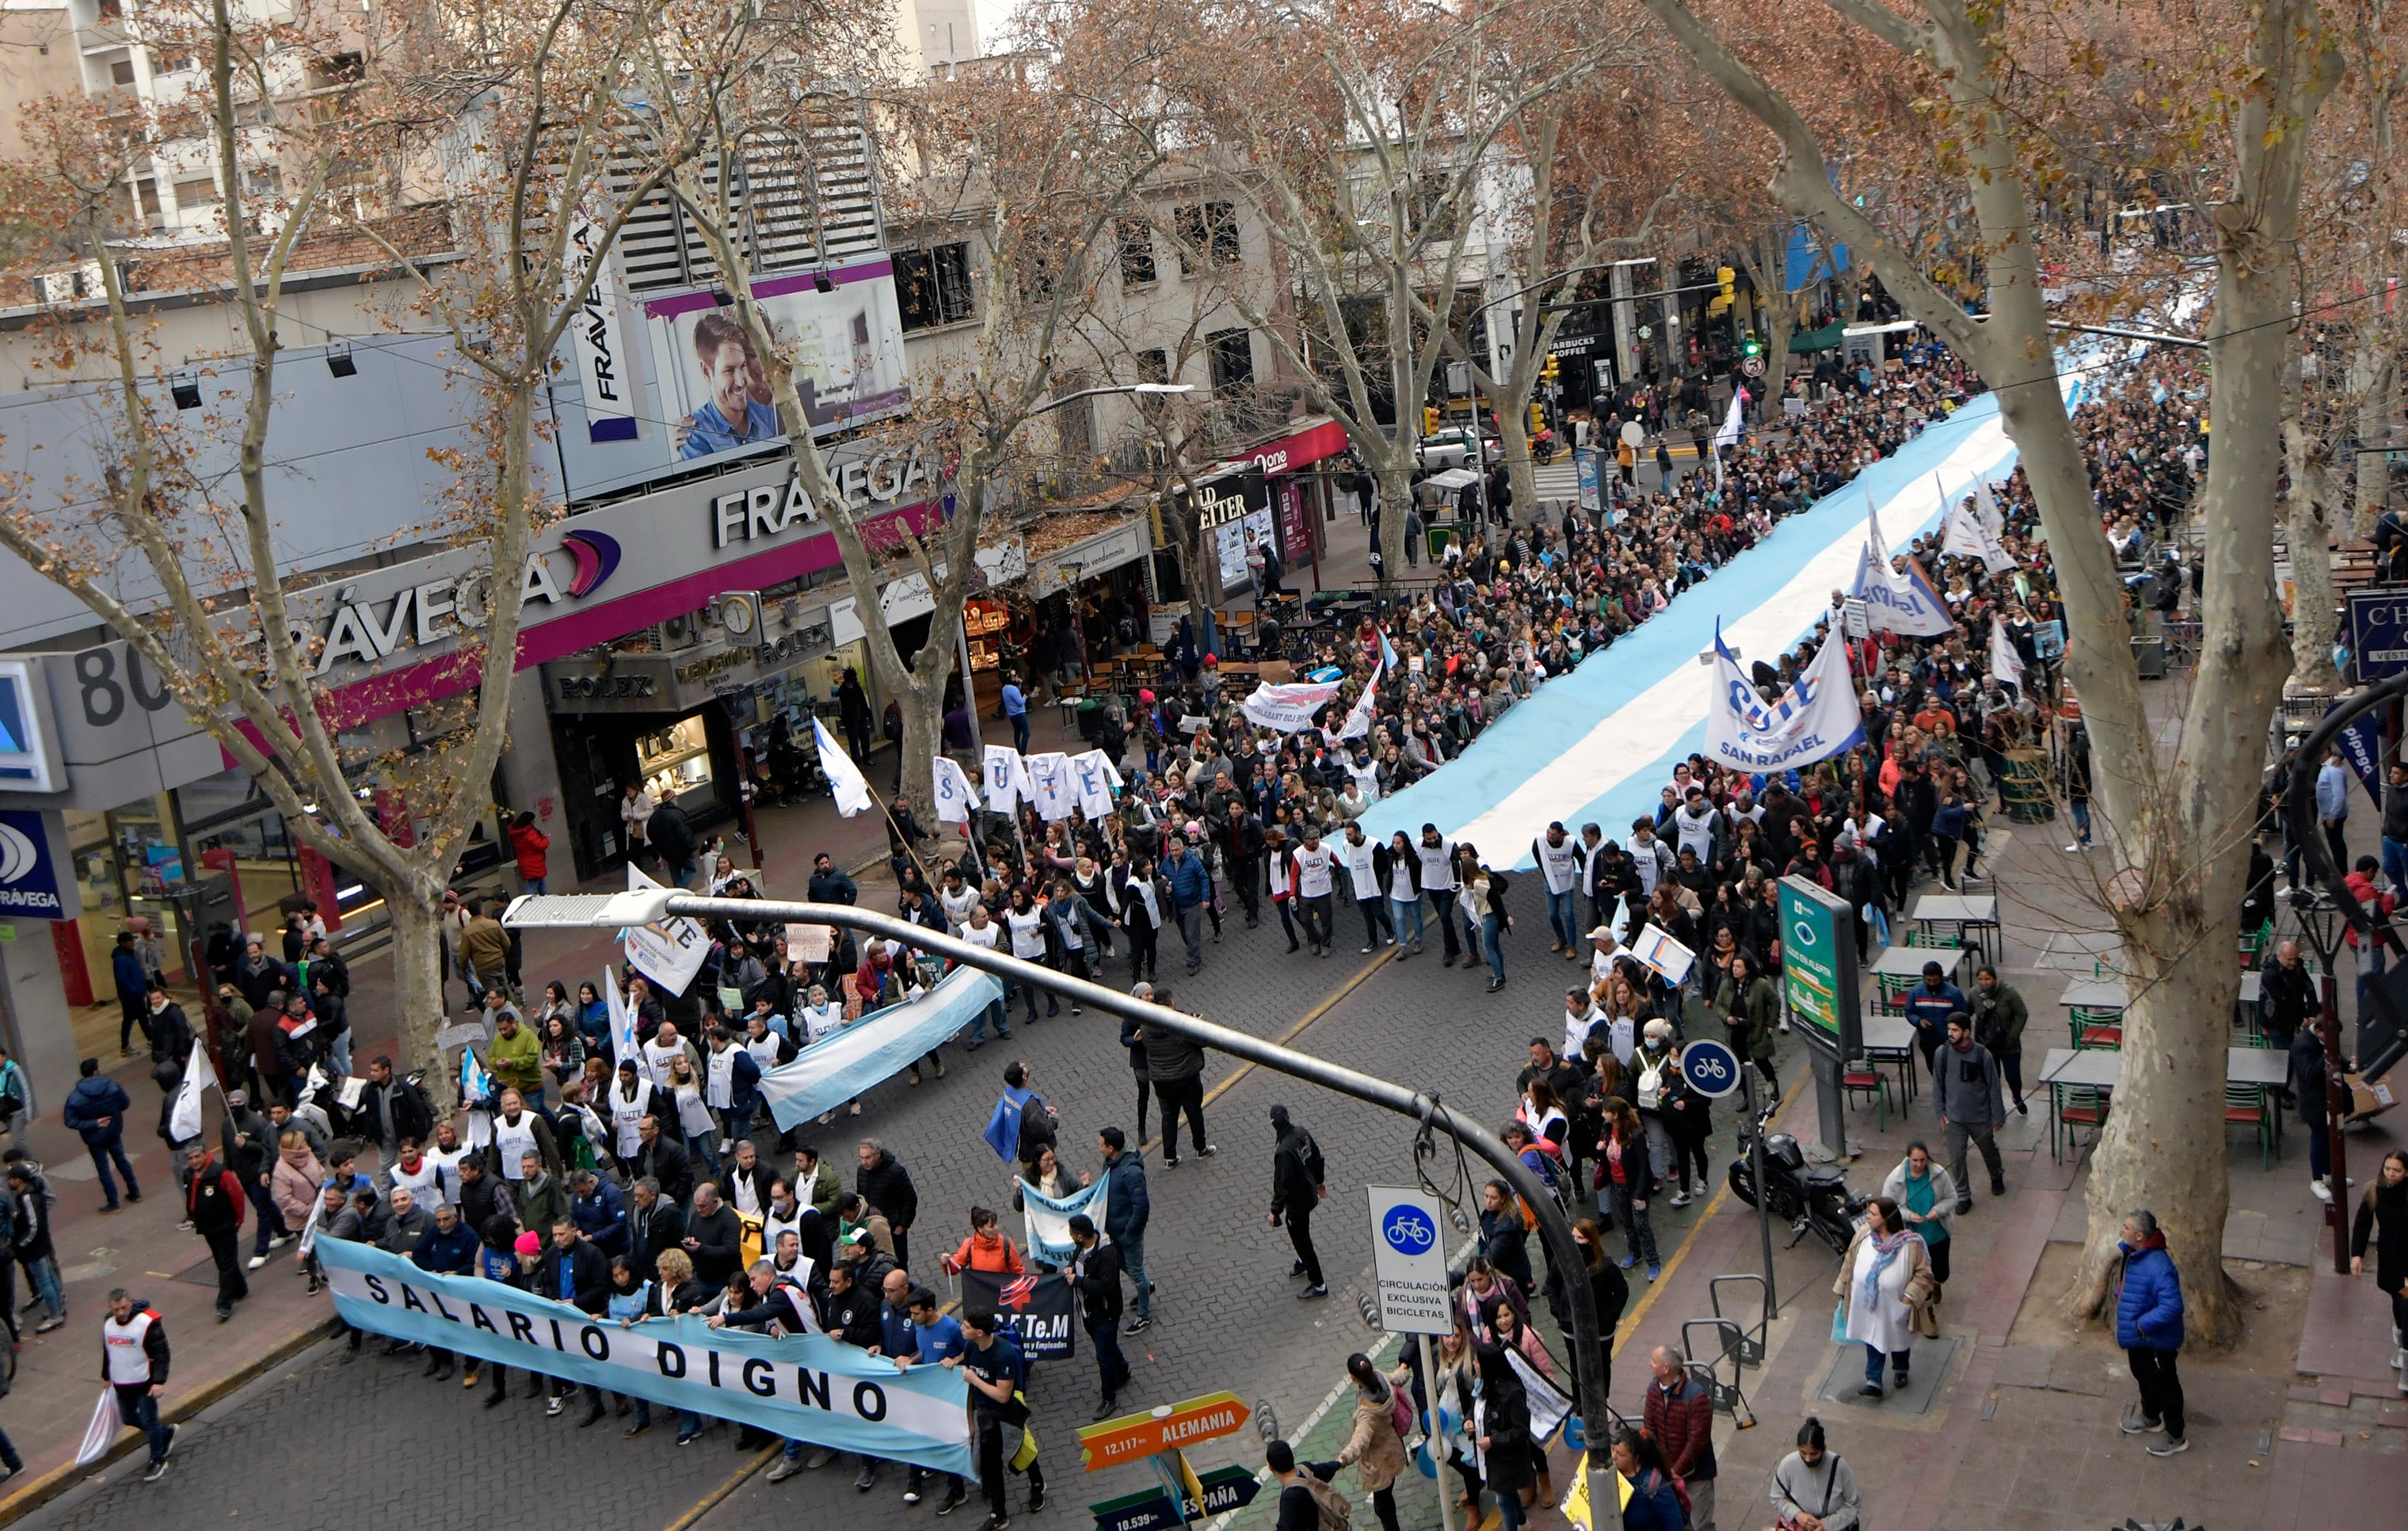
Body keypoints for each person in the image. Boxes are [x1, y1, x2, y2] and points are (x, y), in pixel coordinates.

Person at [1835, 1195, 1937, 1399]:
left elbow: (1924, 1274)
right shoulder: (1863, 1234)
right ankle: (1873, 1381)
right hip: (1869, 1304)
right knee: (1873, 1339)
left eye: (1873, 1214)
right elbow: (1850, 1260)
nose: (1868, 1218)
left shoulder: (1911, 1243)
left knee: (1897, 1338)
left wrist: (1909, 1297)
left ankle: (1901, 1369)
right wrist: (1842, 1288)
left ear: (1886, 1218)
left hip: (1895, 1304)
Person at [958, 1307, 1045, 1531]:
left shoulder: (1003, 1354)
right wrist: (970, 1420)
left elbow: (1003, 1395)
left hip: (1006, 1412)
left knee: (1020, 1451)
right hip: (984, 1414)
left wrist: (975, 1379)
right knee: (990, 1463)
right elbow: (969, 1390)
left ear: (980, 1332)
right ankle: (999, 1513)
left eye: (966, 1327)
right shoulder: (970, 1347)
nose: (961, 1329)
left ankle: (1037, 1483)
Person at [2113, 1207, 2189, 1454]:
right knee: (2143, 1375)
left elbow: (2172, 1306)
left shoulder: (2159, 1266)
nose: (2122, 1230)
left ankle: (2176, 1435)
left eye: (2126, 1227)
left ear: (2139, 1236)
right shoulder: (2134, 1253)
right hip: (2140, 1339)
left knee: (2167, 1386)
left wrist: (2142, 1324)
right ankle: (2150, 1416)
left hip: (2156, 1340)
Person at [1930, 1013, 2006, 1210]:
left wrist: (1998, 1115)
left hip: (1979, 1117)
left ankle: (1996, 1175)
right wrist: (1940, 1111)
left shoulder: (1983, 1055)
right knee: (1956, 1159)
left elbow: (1993, 1086)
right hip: (1954, 1118)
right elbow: (1937, 1085)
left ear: (1966, 1032)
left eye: (1955, 1030)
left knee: (1988, 1150)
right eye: (1949, 1029)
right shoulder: (1942, 1053)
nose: (1950, 1033)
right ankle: (1963, 1195)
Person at [101, 1288, 177, 1482]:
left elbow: (162, 1353)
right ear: (110, 1308)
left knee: (150, 1421)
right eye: (116, 1309)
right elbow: (108, 1351)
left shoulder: (147, 1323)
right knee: (128, 1418)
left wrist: (159, 1382)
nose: (120, 1313)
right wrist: (106, 1376)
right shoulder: (109, 1324)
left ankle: (157, 1460)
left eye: (124, 1308)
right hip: (122, 1384)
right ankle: (166, 1433)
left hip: (145, 1383)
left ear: (131, 1303)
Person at [1330, 1351, 1409, 1531]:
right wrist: (1405, 1369)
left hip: (1378, 1462)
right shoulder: (1381, 1379)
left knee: (1383, 1507)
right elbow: (1397, 1378)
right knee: (1385, 1500)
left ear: (1352, 1377)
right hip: (1393, 1449)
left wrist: (1344, 1458)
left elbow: (1360, 1440)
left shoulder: (1367, 1411)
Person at [2348, 1149, 2408, 1385]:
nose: (2391, 1174)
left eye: (2397, 1171)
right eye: (2388, 1169)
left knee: (2405, 1304)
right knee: (2397, 1301)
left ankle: (2406, 1357)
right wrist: (2357, 1255)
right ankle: (2402, 1345)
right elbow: (2363, 1224)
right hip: (2390, 1259)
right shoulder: (2374, 1191)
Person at [1644, 1342, 1718, 1529]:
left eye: (1653, 1361)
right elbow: (1649, 1427)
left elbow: (1697, 1442)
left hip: (1696, 1476)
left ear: (1666, 1368)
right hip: (1667, 1471)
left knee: (1700, 1523)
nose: (1649, 1364)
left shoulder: (1696, 1397)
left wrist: (1677, 1470)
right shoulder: (1654, 1389)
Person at [1065, 1213, 1130, 1418]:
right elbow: (1078, 1263)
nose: (1070, 1237)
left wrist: (1078, 1281)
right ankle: (1122, 1369)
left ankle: (1109, 1398)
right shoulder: (1081, 1248)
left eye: (1071, 1234)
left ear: (1080, 1237)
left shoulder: (1107, 1253)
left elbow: (1105, 1286)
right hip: (1090, 1312)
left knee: (1103, 1357)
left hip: (1105, 1314)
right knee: (1107, 1345)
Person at [1090, 1125, 1153, 1331]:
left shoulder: (1131, 1172)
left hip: (1127, 1233)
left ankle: (1145, 1315)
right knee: (1121, 1264)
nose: (1099, 1148)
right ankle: (1146, 1286)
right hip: (1115, 1230)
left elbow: (1141, 1207)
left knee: (1135, 1271)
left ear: (1111, 1148)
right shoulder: (1110, 1164)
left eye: (1101, 1145)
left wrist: (1129, 1233)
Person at [1469, 1342, 1534, 1531]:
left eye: (1477, 1361)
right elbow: (1475, 1409)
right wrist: (1469, 1421)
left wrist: (1492, 1441)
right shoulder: (1481, 1386)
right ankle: (1522, 1521)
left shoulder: (1512, 1393)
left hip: (1506, 1459)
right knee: (1507, 1492)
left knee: (1503, 1499)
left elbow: (1521, 1431)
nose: (1474, 1364)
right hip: (1489, 1457)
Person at [62, 1057, 141, 1213]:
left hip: (94, 1137)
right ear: (96, 1071)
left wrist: (93, 1123)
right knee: (121, 1160)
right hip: (113, 1131)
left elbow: (70, 1121)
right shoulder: (111, 1086)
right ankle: (135, 1192)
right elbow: (125, 1103)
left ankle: (113, 1203)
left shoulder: (75, 1097)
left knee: (103, 1169)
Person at [184, 1144, 250, 1321]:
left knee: (226, 1264)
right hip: (207, 1228)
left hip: (225, 1226)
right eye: (190, 1159)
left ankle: (224, 1304)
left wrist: (239, 1218)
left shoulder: (221, 1173)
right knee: (223, 1261)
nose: (194, 1161)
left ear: (206, 1155)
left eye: (197, 1156)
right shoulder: (189, 1175)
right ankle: (241, 1288)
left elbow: (237, 1195)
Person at [1268, 1104, 1328, 1298]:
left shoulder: (1283, 1151)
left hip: (1298, 1202)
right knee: (1303, 1232)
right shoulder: (1302, 1133)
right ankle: (1303, 1262)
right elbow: (1317, 1156)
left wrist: (1275, 1211)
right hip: (1310, 1193)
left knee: (1302, 1240)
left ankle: (1318, 1284)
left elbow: (1282, 1184)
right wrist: (1320, 1182)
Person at [1880, 1141, 1958, 1288]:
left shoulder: (1939, 1173)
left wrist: (1938, 1210)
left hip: (1938, 1235)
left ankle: (1936, 1285)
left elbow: (1952, 1197)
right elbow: (1889, 1207)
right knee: (1918, 1279)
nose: (1919, 1164)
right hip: (1912, 1239)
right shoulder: (1895, 1179)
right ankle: (1926, 1303)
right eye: (1915, 1160)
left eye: (1922, 1160)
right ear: (1908, 1158)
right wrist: (1909, 1215)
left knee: (1941, 1274)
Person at [1769, 1416, 1861, 1531]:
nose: (1808, 1459)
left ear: (1824, 1449)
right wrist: (1798, 1515)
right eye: (1803, 1452)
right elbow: (1777, 1498)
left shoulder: (1839, 1466)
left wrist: (1825, 1525)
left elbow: (1852, 1505)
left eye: (1814, 1454)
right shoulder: (1787, 1465)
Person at [7, 1162, 65, 1332]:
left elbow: (34, 1225)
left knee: (44, 1280)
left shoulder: (27, 1197)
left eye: (11, 1179)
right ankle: (58, 1308)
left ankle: (55, 1315)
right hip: (41, 1243)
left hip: (35, 1247)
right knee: (50, 1276)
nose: (9, 1181)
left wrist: (22, 1243)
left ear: (18, 1180)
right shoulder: (31, 1192)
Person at [1968, 965, 2029, 1114]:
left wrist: (2011, 1037)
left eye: (1987, 979)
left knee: (2013, 1078)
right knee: (1991, 1079)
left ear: (1994, 979)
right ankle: (1996, 1107)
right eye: (1981, 979)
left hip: (2008, 1046)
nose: (1984, 982)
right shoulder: (1973, 994)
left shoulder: (2009, 993)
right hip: (1987, 1046)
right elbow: (1966, 1013)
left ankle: (2017, 1097)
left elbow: (2022, 1014)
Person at [857, 1137, 918, 1272]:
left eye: (867, 1157)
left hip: (893, 1230)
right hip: (871, 1230)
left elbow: (910, 1200)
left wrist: (901, 1227)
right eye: (861, 1158)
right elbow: (861, 1199)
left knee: (897, 1268)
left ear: (877, 1154)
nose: (864, 1162)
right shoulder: (862, 1172)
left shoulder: (896, 1172)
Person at [1902, 961, 1965, 1084]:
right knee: (1935, 1072)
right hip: (1928, 1041)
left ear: (1941, 978)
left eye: (1935, 981)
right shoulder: (1916, 992)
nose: (1932, 983)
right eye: (1928, 980)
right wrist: (1919, 1021)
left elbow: (1963, 1014)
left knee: (1952, 1073)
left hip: (1950, 1042)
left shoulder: (1954, 993)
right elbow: (1909, 1012)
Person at [1611, 1429, 1686, 1531]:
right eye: (1612, 1450)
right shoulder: (1610, 1474)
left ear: (1636, 1458)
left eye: (1620, 1454)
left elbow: (1674, 1524)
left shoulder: (1654, 1485)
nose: (1613, 1457)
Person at [112, 930, 151, 1057]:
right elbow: (122, 979)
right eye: (130, 941)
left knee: (135, 1018)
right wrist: (135, 989)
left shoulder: (128, 955)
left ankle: (128, 1045)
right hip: (131, 996)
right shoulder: (122, 959)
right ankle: (149, 1040)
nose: (132, 943)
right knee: (138, 1018)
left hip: (132, 994)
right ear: (123, 943)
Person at [509, 810, 551, 893]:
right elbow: (540, 846)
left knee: (540, 883)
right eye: (533, 820)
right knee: (533, 885)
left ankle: (546, 898)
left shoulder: (517, 833)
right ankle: (529, 902)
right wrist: (546, 839)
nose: (534, 821)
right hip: (534, 863)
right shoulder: (529, 833)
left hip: (525, 862)